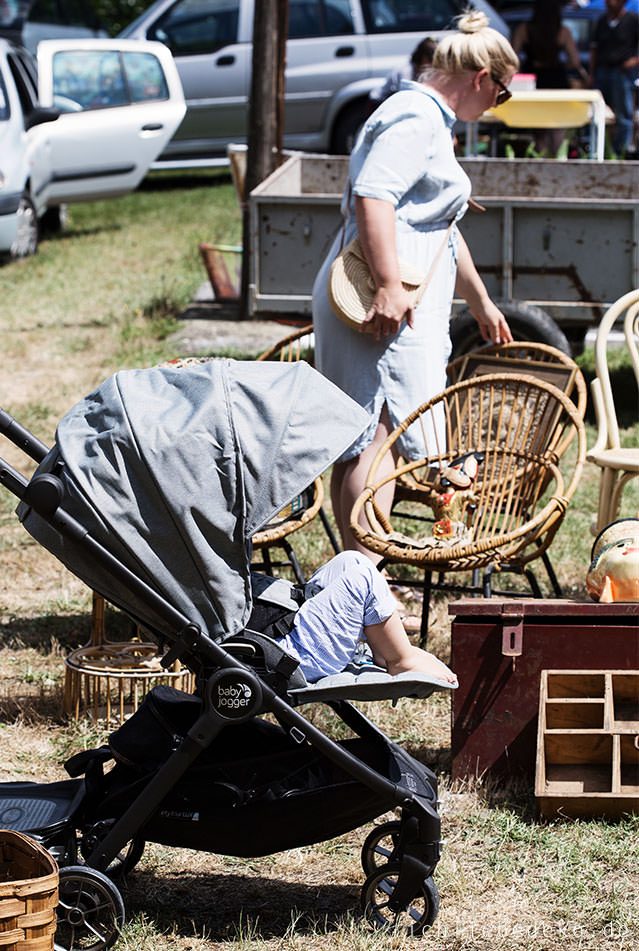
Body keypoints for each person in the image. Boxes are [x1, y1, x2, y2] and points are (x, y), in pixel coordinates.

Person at [312, 10, 516, 557]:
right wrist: (387, 286)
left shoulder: (429, 120)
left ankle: (362, 584)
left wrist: (480, 302)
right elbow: (373, 195)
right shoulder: (416, 117)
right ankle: (363, 590)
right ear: (481, 78)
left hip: (400, 298)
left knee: (381, 443)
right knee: (371, 444)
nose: (495, 107)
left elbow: (441, 230)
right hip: (382, 302)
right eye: (502, 94)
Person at [280, 551, 457, 684]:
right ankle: (400, 661)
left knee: (351, 560)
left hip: (276, 621)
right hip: (286, 655)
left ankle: (383, 651)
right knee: (364, 579)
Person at [589, 0, 639, 156]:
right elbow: (594, 49)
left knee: (624, 114)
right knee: (599, 112)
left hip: (623, 73)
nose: (610, 3)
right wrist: (591, 74)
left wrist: (635, 60)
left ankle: (620, 151)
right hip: (602, 71)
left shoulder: (633, 20)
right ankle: (600, 149)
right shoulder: (602, 21)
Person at [368, 36, 437, 112]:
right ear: (423, 56)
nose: (433, 63)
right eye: (431, 59)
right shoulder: (405, 71)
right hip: (379, 102)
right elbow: (405, 97)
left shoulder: (424, 70)